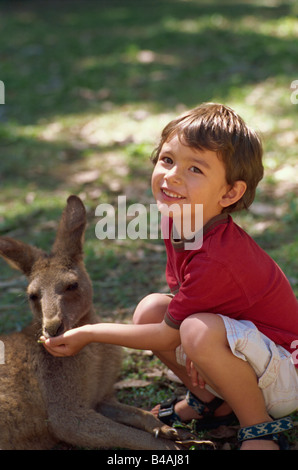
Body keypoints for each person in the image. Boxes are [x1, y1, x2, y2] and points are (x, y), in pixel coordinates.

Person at [42, 103, 298, 450]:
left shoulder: (219, 257)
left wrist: (89, 333)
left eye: (194, 168)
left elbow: (167, 336)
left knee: (190, 329)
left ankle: (260, 428)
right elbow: (183, 301)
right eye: (167, 160)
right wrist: (198, 346)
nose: (172, 175)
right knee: (152, 308)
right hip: (248, 353)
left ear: (229, 193)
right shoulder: (179, 221)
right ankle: (212, 402)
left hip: (284, 374)